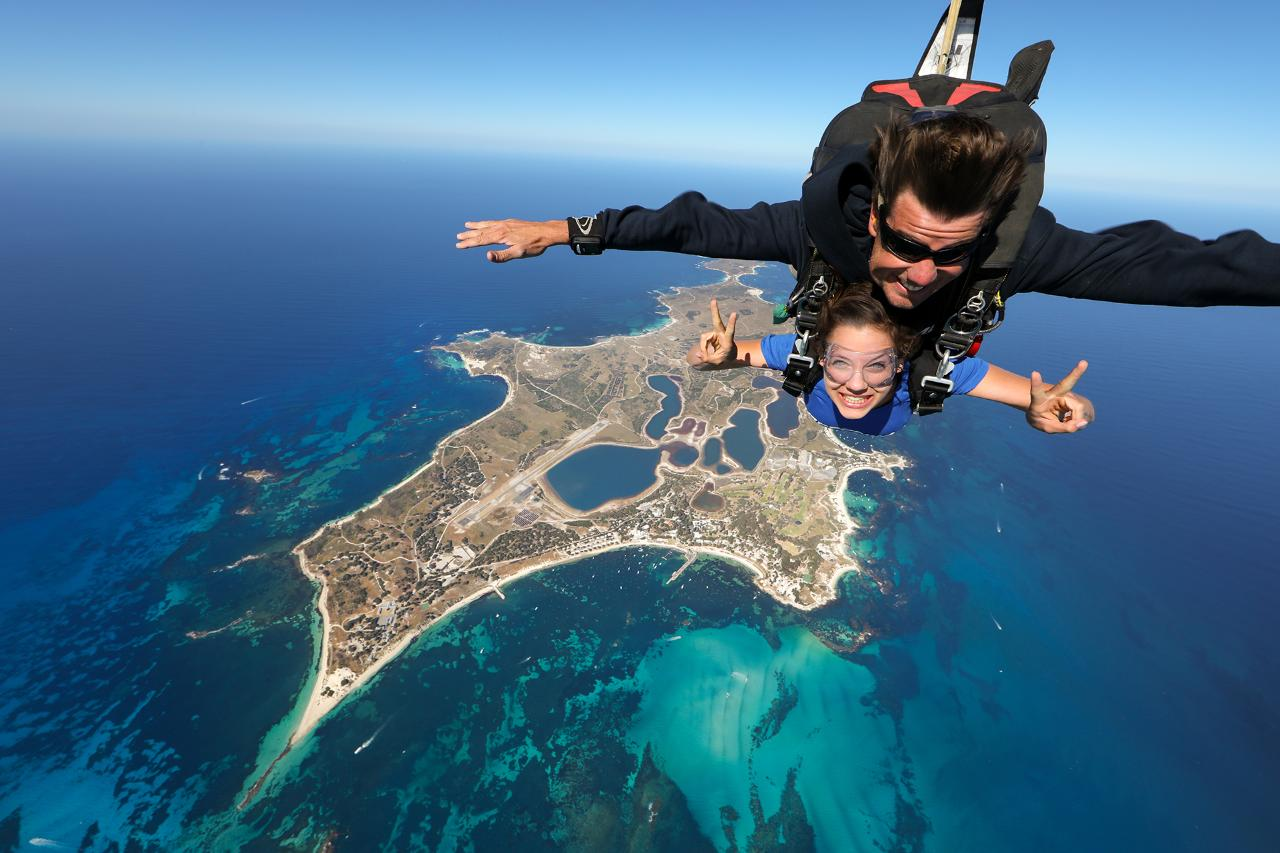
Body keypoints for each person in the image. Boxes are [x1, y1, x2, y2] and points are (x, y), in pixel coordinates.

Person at [456, 116, 1279, 417]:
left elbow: (1189, 270)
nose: (922, 274)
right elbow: (696, 223)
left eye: (949, 254)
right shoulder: (817, 235)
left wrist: (1035, 402)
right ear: (875, 217)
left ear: (983, 236)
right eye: (907, 244)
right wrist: (567, 230)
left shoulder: (1013, 257)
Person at [688, 291, 1092, 436]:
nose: (856, 385)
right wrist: (711, 358)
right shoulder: (801, 352)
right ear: (822, 357)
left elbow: (1067, 404)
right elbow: (702, 361)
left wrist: (1062, 411)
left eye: (877, 366)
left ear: (900, 364)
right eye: (840, 363)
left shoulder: (933, 372)